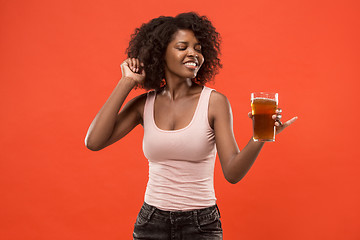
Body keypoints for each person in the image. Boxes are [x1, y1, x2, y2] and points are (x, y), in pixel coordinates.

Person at [85, 12, 297, 240]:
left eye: (198, 48)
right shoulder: (144, 105)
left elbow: (233, 173)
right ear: (161, 54)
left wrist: (261, 135)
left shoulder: (214, 102)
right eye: (182, 47)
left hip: (201, 224)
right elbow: (94, 142)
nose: (193, 54)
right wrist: (127, 82)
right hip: (151, 222)